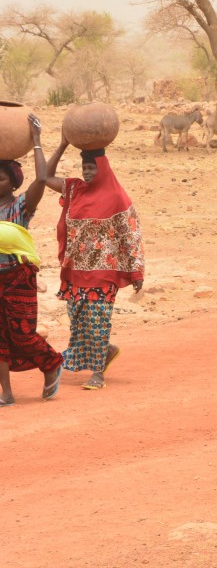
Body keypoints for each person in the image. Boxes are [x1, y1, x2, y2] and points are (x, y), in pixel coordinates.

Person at [46, 136, 144, 390]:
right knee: (79, 323)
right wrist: (63, 145)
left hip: (104, 273)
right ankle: (106, 350)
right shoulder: (74, 189)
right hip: (75, 271)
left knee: (98, 322)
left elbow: (131, 233)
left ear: (103, 168)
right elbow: (45, 177)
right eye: (84, 168)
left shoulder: (116, 196)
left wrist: (137, 272)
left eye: (91, 168)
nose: (86, 172)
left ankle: (98, 373)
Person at [0, 114, 64, 405]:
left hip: (18, 276)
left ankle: (51, 364)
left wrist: (37, 141)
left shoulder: (21, 206)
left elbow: (41, 178)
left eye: (1, 177)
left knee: (23, 335)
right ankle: (6, 392)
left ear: (13, 182)